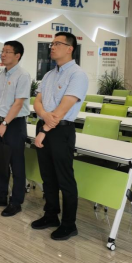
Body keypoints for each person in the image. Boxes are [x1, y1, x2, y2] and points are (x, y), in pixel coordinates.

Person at [32, 32, 89, 241]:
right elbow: (37, 102)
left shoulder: (77, 75)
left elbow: (63, 109)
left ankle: (69, 224)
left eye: (57, 43)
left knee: (64, 178)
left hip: (61, 130)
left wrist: (44, 129)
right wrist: (45, 117)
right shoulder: (49, 74)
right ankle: (51, 215)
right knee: (48, 176)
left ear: (69, 48)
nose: (52, 47)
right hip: (45, 125)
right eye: (52, 43)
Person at [0, 41, 31, 217]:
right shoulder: (0, 75)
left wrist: (5, 124)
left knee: (17, 165)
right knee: (0, 162)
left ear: (17, 55)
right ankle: (1, 196)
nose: (3, 55)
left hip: (14, 124)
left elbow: (18, 103)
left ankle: (16, 202)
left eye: (7, 52)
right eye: (2, 51)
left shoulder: (23, 75)